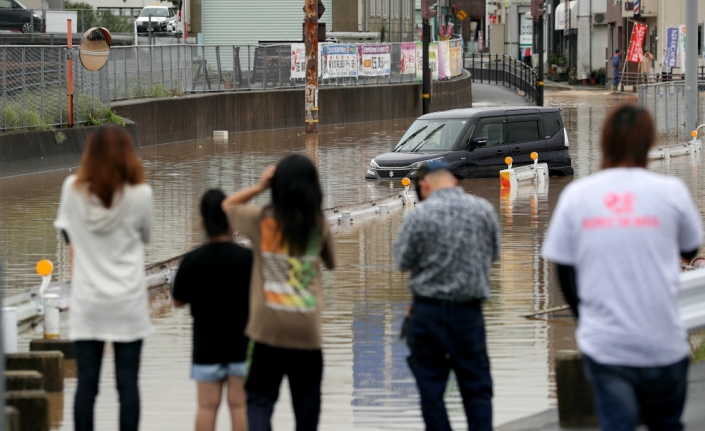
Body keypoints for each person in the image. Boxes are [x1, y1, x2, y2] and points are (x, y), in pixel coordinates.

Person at [542, 104, 702, 431]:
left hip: (606, 345)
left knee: (619, 424)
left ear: (604, 142)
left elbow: (564, 268)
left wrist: (585, 316)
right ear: (648, 143)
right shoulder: (671, 192)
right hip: (664, 344)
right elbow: (689, 249)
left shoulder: (577, 196)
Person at [222, 154, 335, 431]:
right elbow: (331, 262)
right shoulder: (318, 224)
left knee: (259, 400)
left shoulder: (261, 220)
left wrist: (260, 186)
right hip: (307, 332)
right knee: (307, 407)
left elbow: (227, 206)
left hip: (267, 330)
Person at [54, 125, 153, 431]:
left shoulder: (72, 188)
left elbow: (66, 233)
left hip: (89, 303)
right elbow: (145, 236)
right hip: (128, 302)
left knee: (87, 385)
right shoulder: (141, 194)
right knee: (127, 386)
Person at [393, 160, 500, 431]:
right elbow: (493, 256)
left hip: (427, 314)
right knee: (477, 389)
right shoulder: (484, 211)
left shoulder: (417, 216)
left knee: (431, 391)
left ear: (425, 186)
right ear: (453, 181)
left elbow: (402, 262)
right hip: (469, 314)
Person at [172, 189, 253, 431]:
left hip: (206, 344)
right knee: (239, 406)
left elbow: (177, 301)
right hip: (242, 342)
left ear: (203, 223)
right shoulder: (248, 258)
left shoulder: (192, 260)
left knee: (207, 406)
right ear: (232, 222)